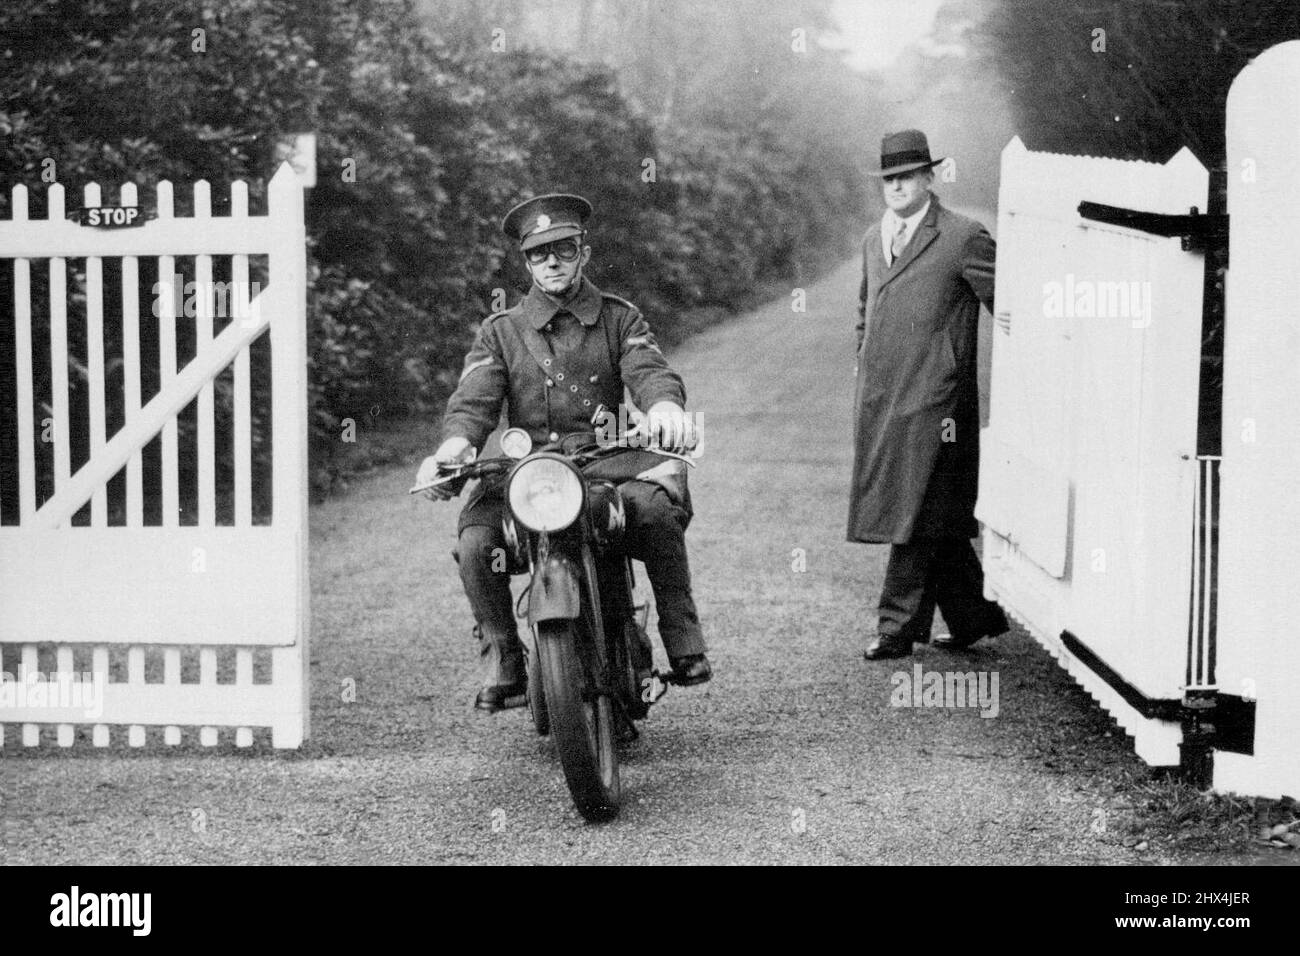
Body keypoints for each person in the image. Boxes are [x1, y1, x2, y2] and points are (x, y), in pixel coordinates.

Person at [415, 193, 712, 710]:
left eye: (564, 249)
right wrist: (454, 447)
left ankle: (683, 640)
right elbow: (474, 399)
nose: (551, 262)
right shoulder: (501, 331)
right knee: (477, 542)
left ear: (584, 253)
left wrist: (664, 409)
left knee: (654, 512)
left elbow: (649, 370)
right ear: (525, 261)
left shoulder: (620, 318)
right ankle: (505, 659)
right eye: (538, 253)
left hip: (605, 462)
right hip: (526, 471)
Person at [848, 130, 1009, 660]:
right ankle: (973, 616)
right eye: (888, 178)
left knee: (914, 510)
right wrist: (863, 361)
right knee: (932, 511)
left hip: (939, 405)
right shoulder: (876, 237)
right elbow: (866, 311)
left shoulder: (963, 236)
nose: (896, 186)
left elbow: (1010, 304)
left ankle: (896, 628)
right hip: (884, 400)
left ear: (928, 178)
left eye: (907, 176)